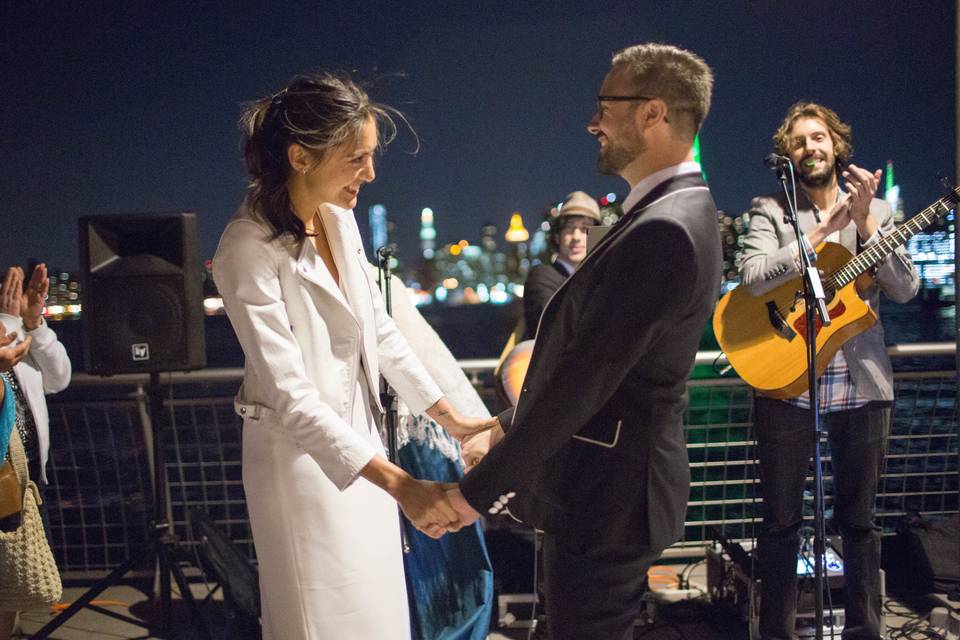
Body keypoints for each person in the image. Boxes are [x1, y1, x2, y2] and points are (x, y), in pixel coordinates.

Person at [449, 43, 721, 640]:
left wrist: (475, 496)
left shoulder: (666, 230)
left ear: (652, 114)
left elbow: (583, 382)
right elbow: (595, 368)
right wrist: (505, 424)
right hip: (611, 492)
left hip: (613, 500)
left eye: (605, 105)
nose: (592, 122)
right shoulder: (670, 212)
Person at [212, 73, 495, 640]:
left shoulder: (338, 222)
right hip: (303, 471)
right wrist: (403, 486)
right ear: (301, 156)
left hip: (368, 457)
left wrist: (454, 418)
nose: (369, 174)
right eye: (355, 159)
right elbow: (291, 399)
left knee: (381, 618)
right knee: (324, 620)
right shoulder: (246, 250)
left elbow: (381, 333)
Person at [738, 102, 918, 640]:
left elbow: (905, 289)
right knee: (779, 525)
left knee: (859, 523)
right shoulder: (769, 209)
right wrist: (818, 236)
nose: (810, 148)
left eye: (819, 138)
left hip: (861, 387)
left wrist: (863, 224)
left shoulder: (881, 212)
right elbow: (751, 278)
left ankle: (865, 631)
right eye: (798, 141)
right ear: (787, 154)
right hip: (787, 384)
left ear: (837, 146)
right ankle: (777, 633)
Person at [0, 263, 71, 640]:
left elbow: (59, 377)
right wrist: (9, 319)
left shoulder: (20, 341)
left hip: (24, 484)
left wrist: (33, 324)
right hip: (3, 479)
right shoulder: (6, 336)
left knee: (13, 582)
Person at [522, 191, 601, 338]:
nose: (576, 237)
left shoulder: (601, 277)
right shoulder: (542, 276)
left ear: (597, 237)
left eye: (585, 229)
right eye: (569, 228)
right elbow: (554, 327)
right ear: (557, 237)